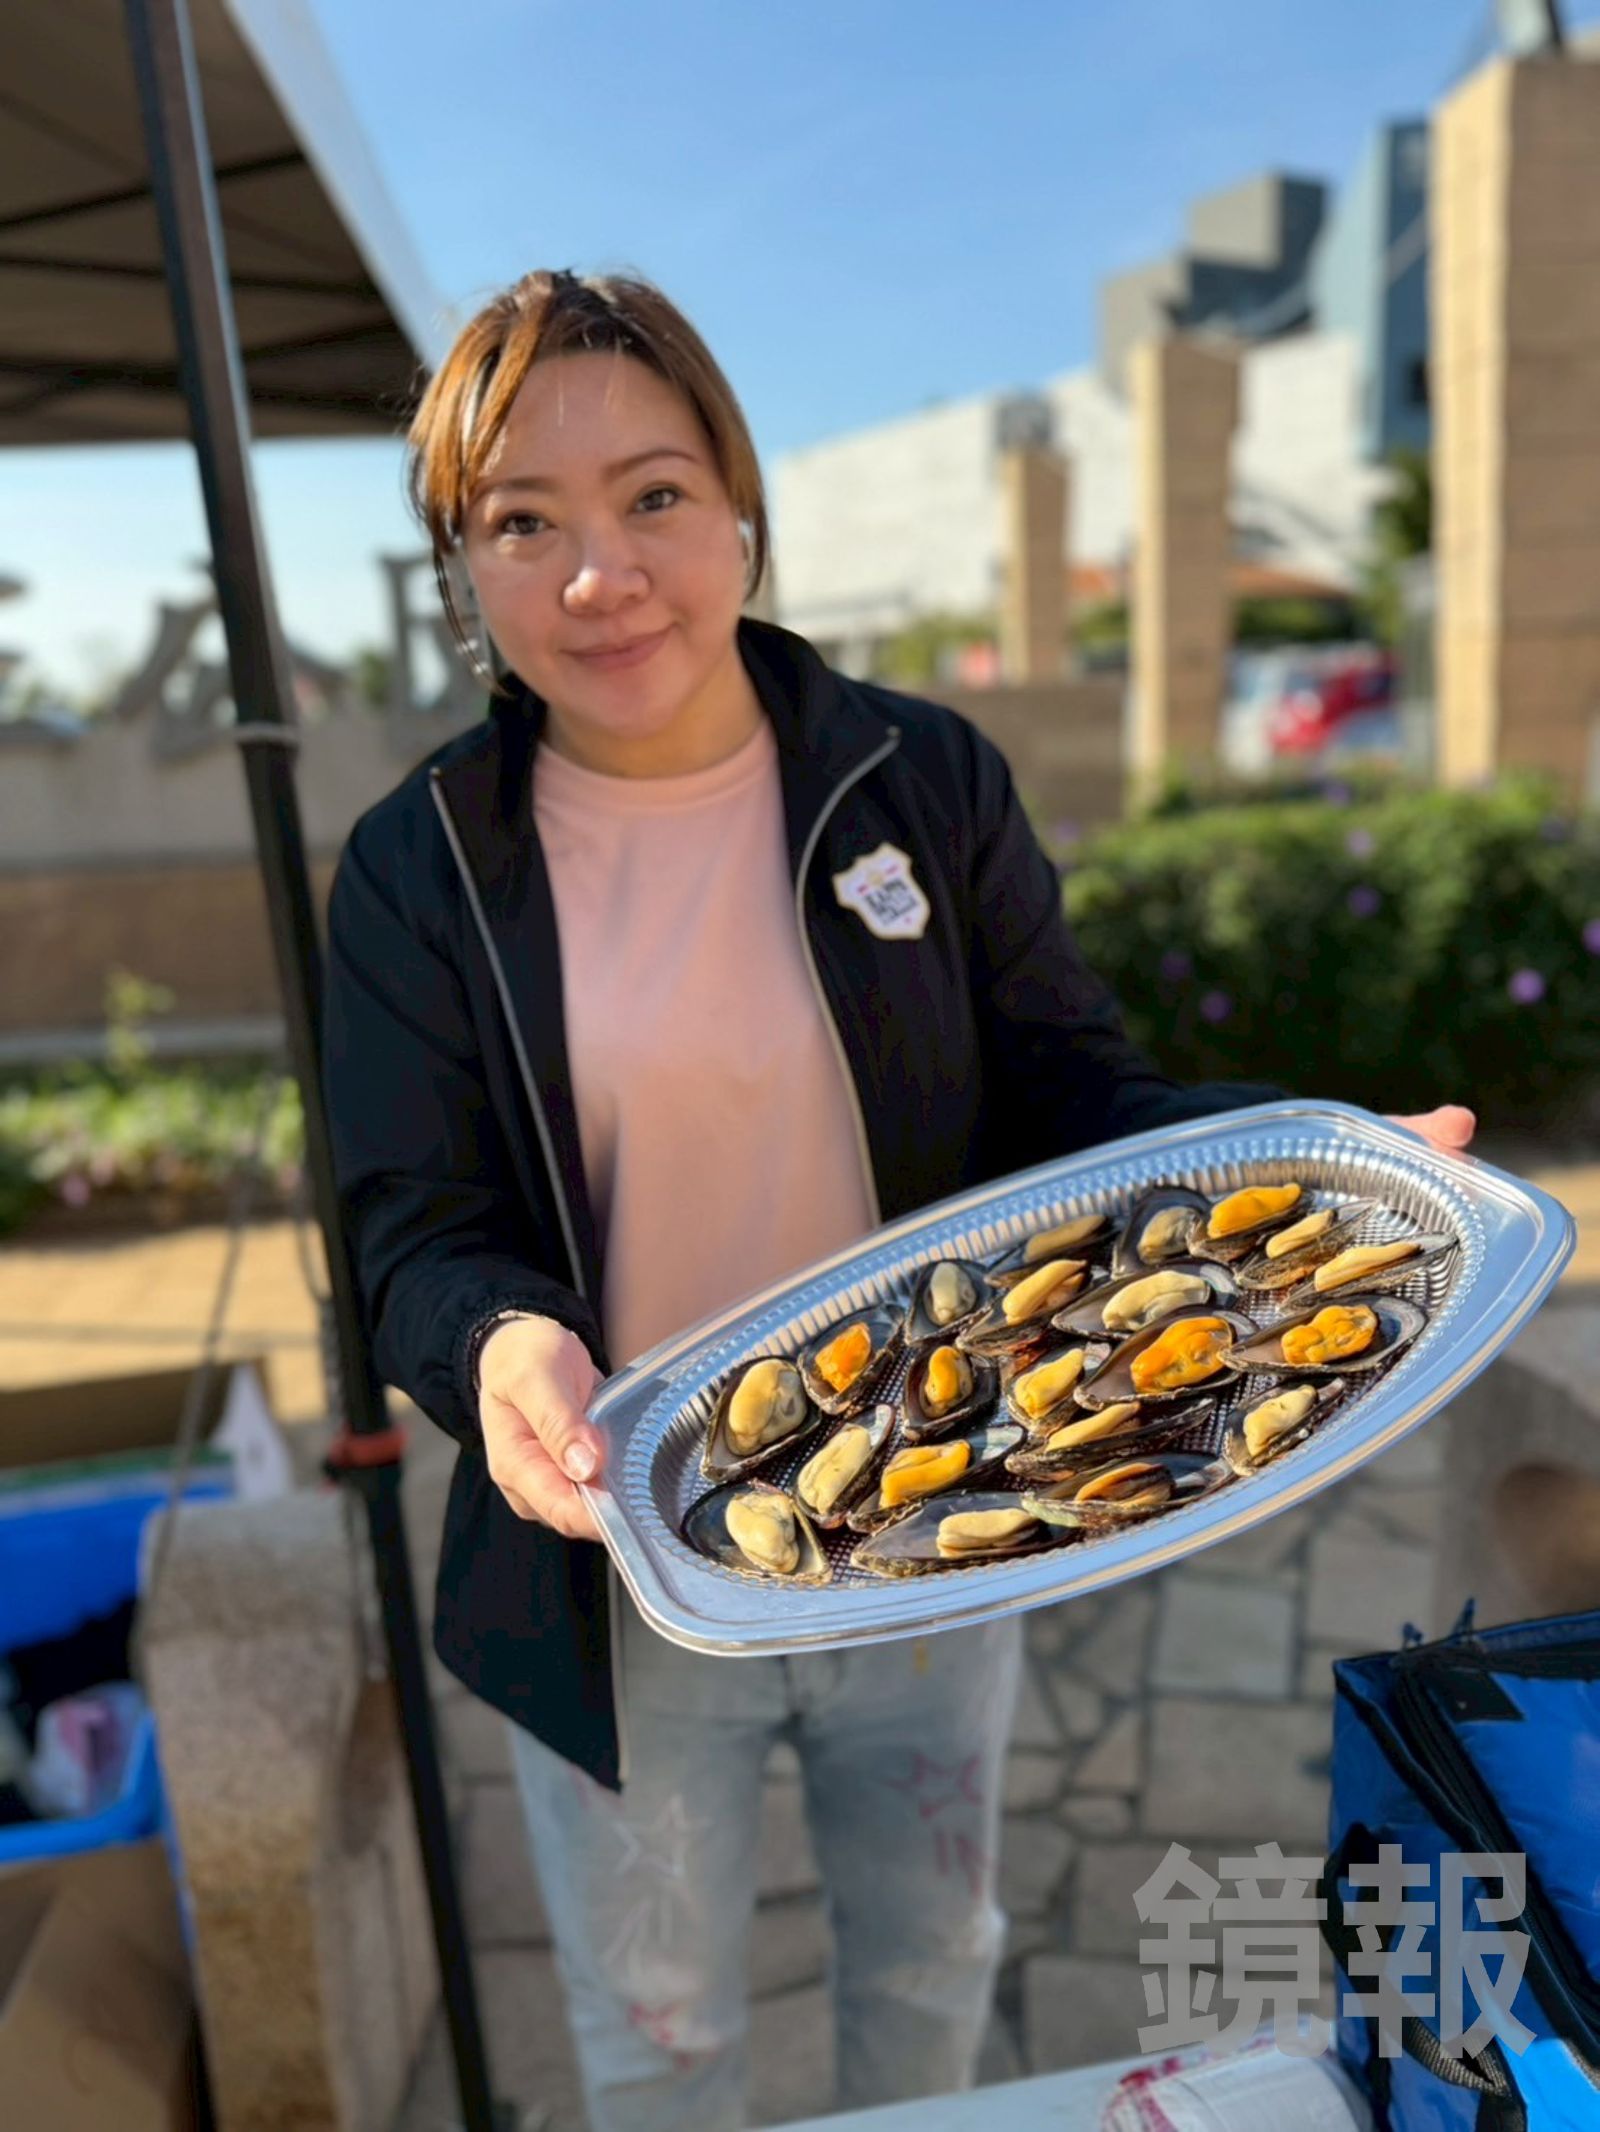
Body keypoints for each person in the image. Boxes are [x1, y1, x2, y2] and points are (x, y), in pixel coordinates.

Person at [320, 268, 1475, 2132]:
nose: (601, 574)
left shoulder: (917, 780)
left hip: (942, 1518)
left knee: (935, 1967)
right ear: (463, 566)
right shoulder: (419, 868)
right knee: (658, 2036)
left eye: (654, 495)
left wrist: (1307, 1154)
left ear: (741, 507)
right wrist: (499, 1340)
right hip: (621, 1558)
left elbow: (1079, 1104)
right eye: (522, 522)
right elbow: (409, 1225)